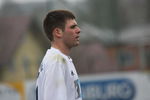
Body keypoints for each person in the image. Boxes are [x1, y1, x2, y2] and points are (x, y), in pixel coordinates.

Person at [36, 10, 82, 100]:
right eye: (73, 27)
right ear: (58, 32)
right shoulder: (56, 61)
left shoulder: (60, 59)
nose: (78, 30)